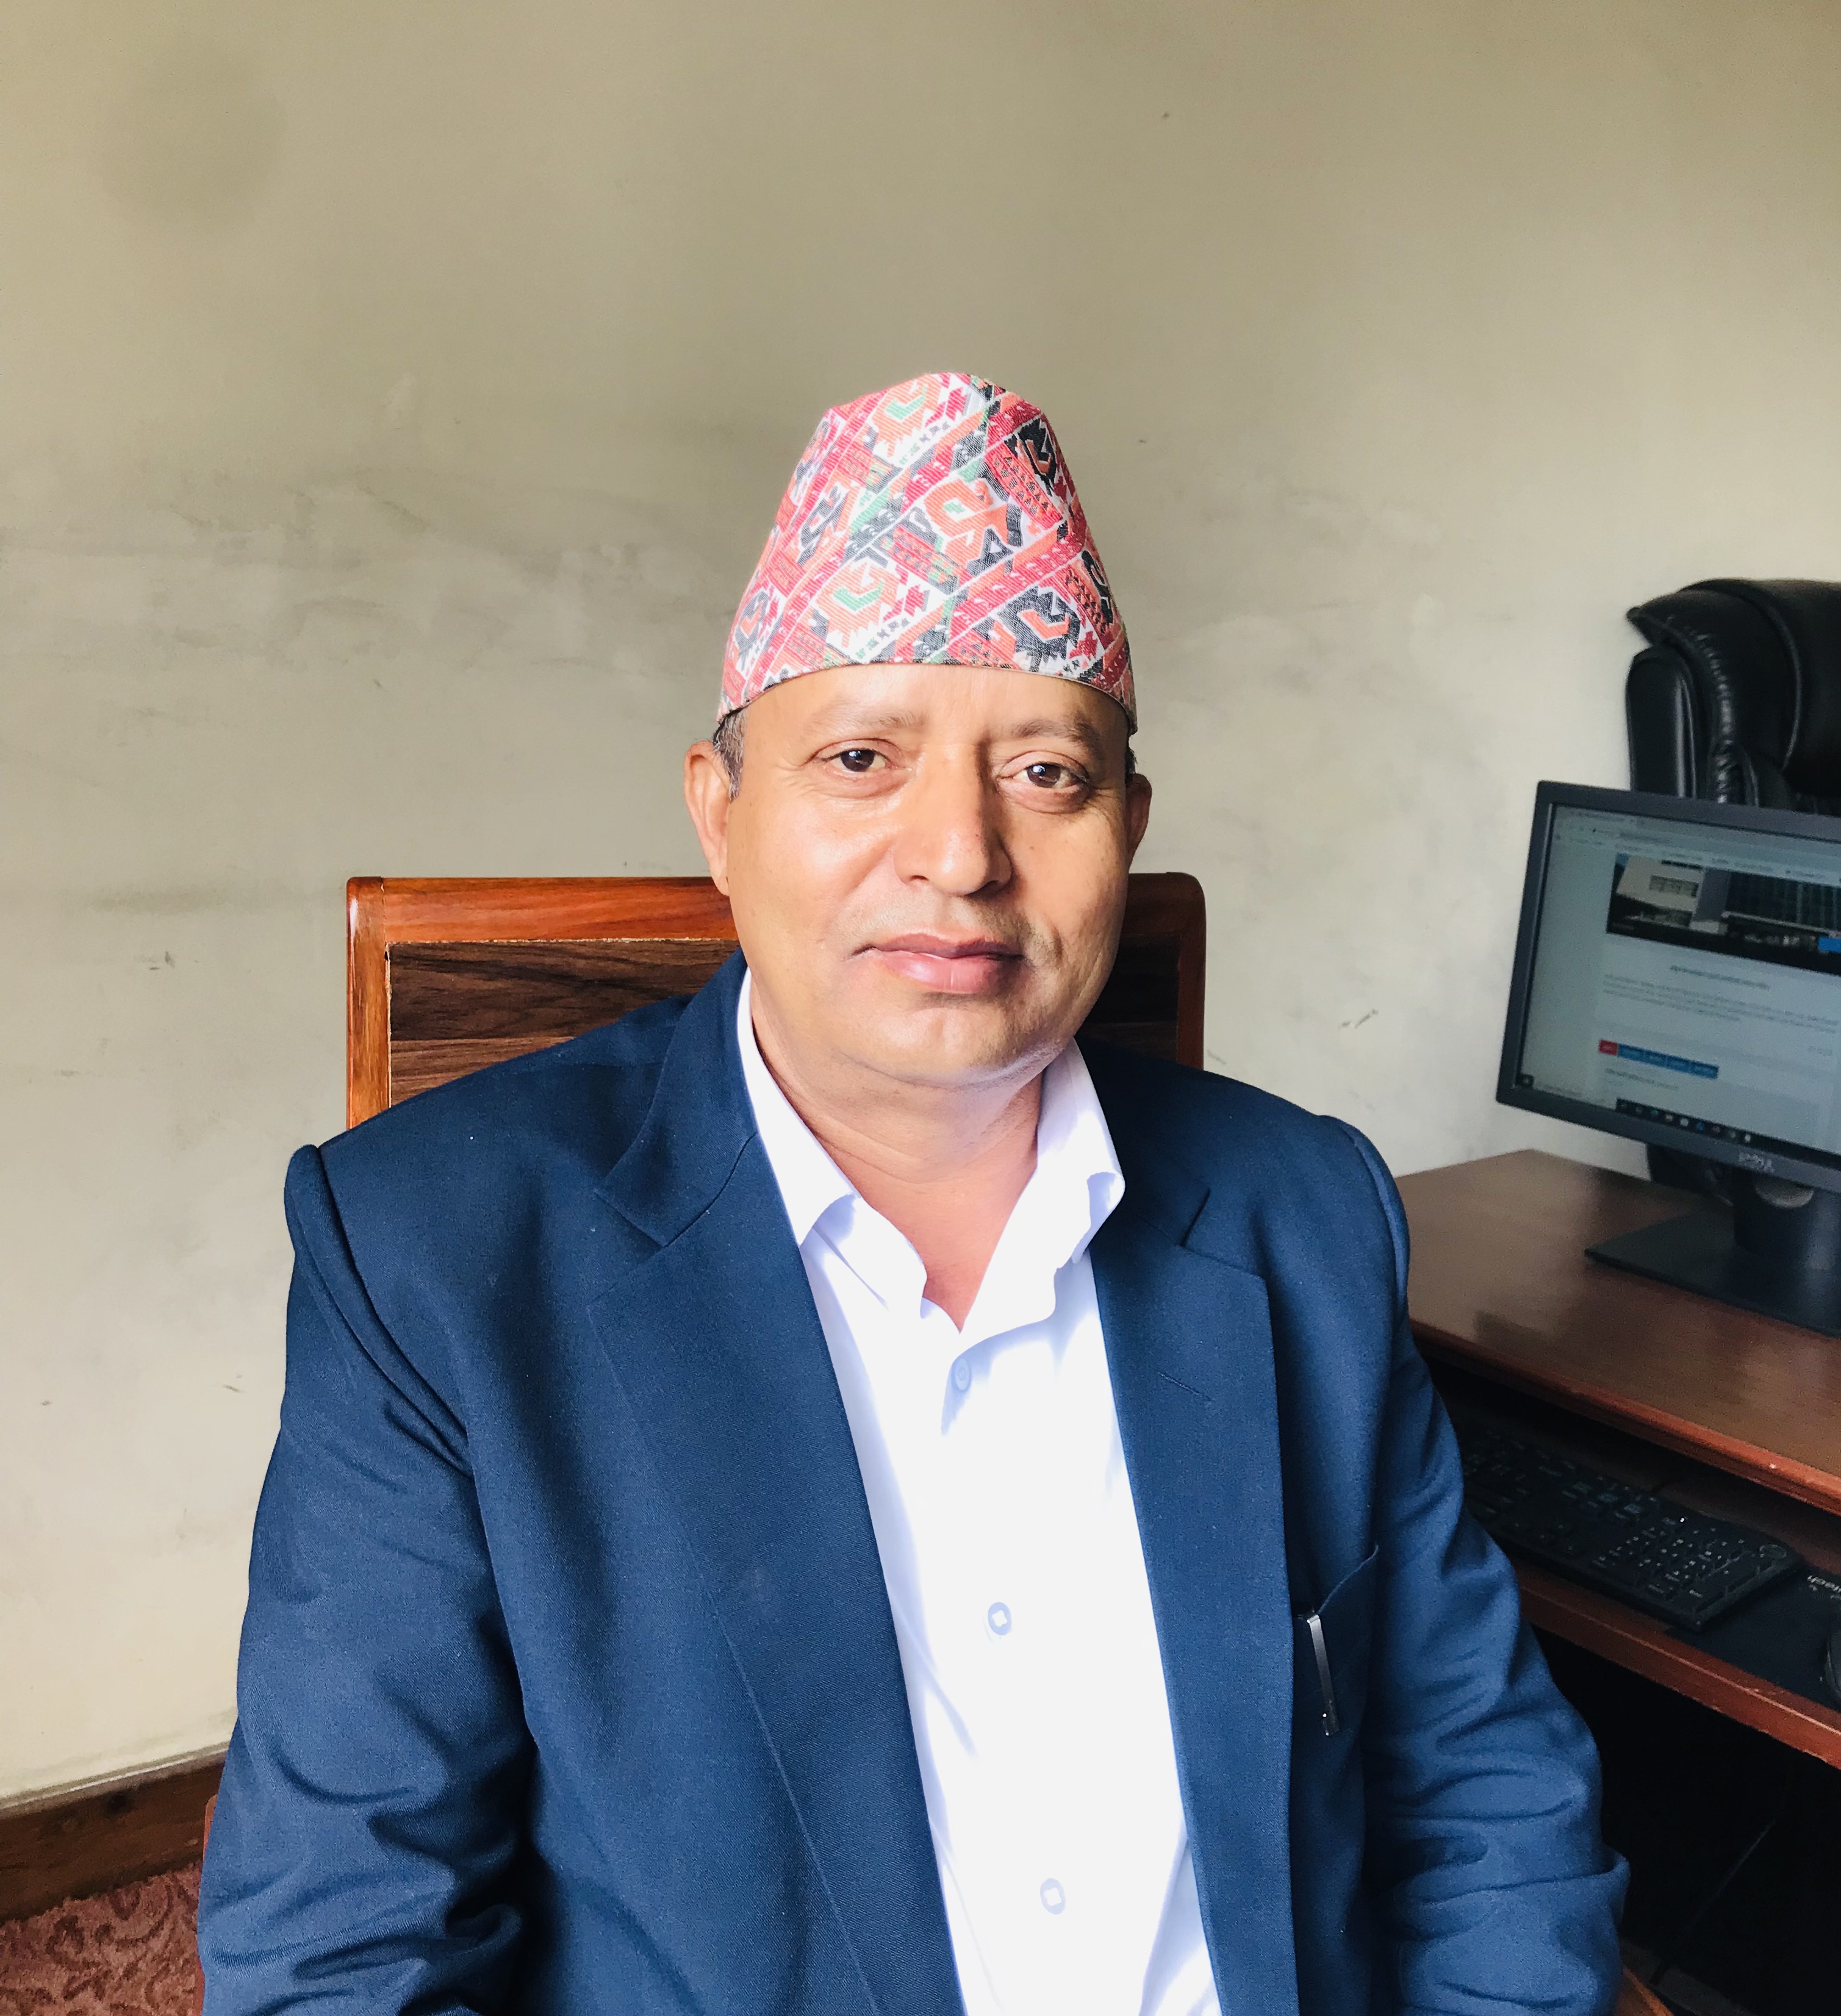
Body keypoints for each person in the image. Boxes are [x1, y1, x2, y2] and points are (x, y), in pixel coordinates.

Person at [199, 372, 1626, 2015]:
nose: (959, 853)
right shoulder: (437, 1255)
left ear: (1128, 828)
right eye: (862, 757)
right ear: (719, 813)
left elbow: (1486, 1795)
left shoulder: (1299, 1210)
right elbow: (339, 1949)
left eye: (1048, 775)